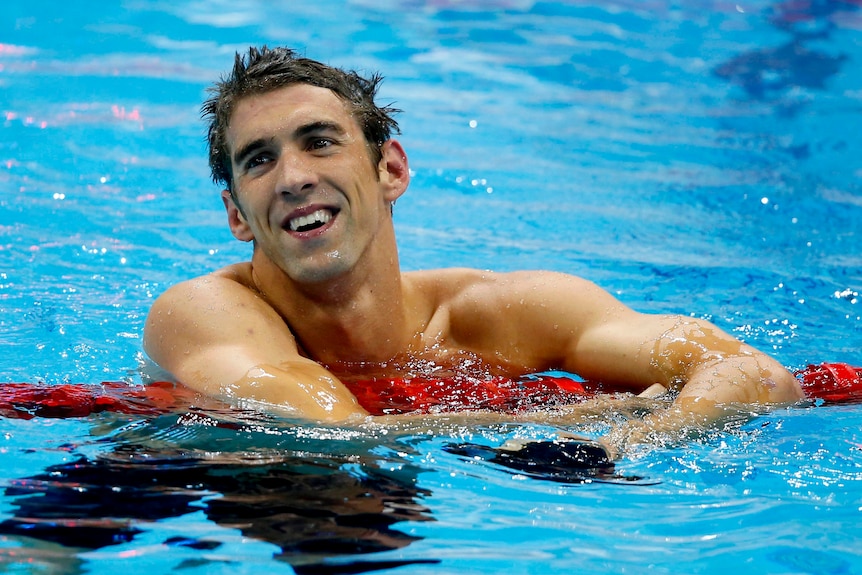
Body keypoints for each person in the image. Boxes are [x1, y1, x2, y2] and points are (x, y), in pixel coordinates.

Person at [142, 46, 804, 456]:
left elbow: (755, 373)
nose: (292, 178)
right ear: (236, 214)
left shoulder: (507, 310)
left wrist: (630, 439)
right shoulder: (202, 312)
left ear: (390, 171)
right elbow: (332, 433)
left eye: (320, 141)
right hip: (173, 489)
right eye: (259, 160)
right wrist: (600, 409)